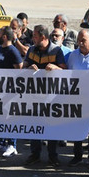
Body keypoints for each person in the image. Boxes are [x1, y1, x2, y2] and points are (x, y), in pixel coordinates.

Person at [23, 24, 66, 167]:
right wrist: (28, 68)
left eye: (35, 36)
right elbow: (23, 68)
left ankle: (53, 156)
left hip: (51, 97)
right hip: (34, 96)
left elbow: (66, 72)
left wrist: (56, 68)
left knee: (51, 127)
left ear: (43, 37)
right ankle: (35, 154)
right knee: (34, 125)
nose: (32, 38)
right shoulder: (31, 49)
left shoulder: (56, 51)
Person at [66, 29, 89, 168]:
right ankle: (77, 156)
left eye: (84, 41)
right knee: (77, 127)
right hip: (77, 95)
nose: (80, 43)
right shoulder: (73, 55)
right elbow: (68, 73)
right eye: (79, 41)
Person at [0, 26, 23, 157]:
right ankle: (1, 142)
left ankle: (12, 145)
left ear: (4, 37)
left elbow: (19, 69)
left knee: (10, 117)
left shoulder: (13, 51)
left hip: (10, 91)